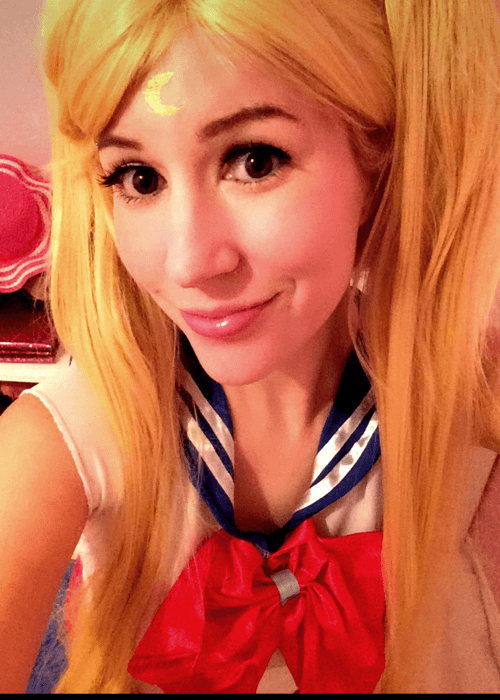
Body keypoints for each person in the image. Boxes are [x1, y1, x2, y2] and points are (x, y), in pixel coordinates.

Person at [1, 0, 500, 693]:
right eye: (138, 178)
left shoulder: (470, 421)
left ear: (378, 163)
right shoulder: (58, 444)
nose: (188, 264)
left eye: (254, 161)